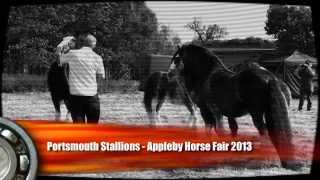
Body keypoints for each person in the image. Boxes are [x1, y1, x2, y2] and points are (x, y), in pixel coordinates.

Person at [60, 34, 105, 123]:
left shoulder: (73, 54)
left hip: (75, 95)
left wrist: (64, 46)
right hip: (91, 96)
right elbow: (101, 76)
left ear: (83, 43)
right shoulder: (97, 57)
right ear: (93, 45)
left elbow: (60, 60)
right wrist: (96, 88)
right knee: (93, 127)